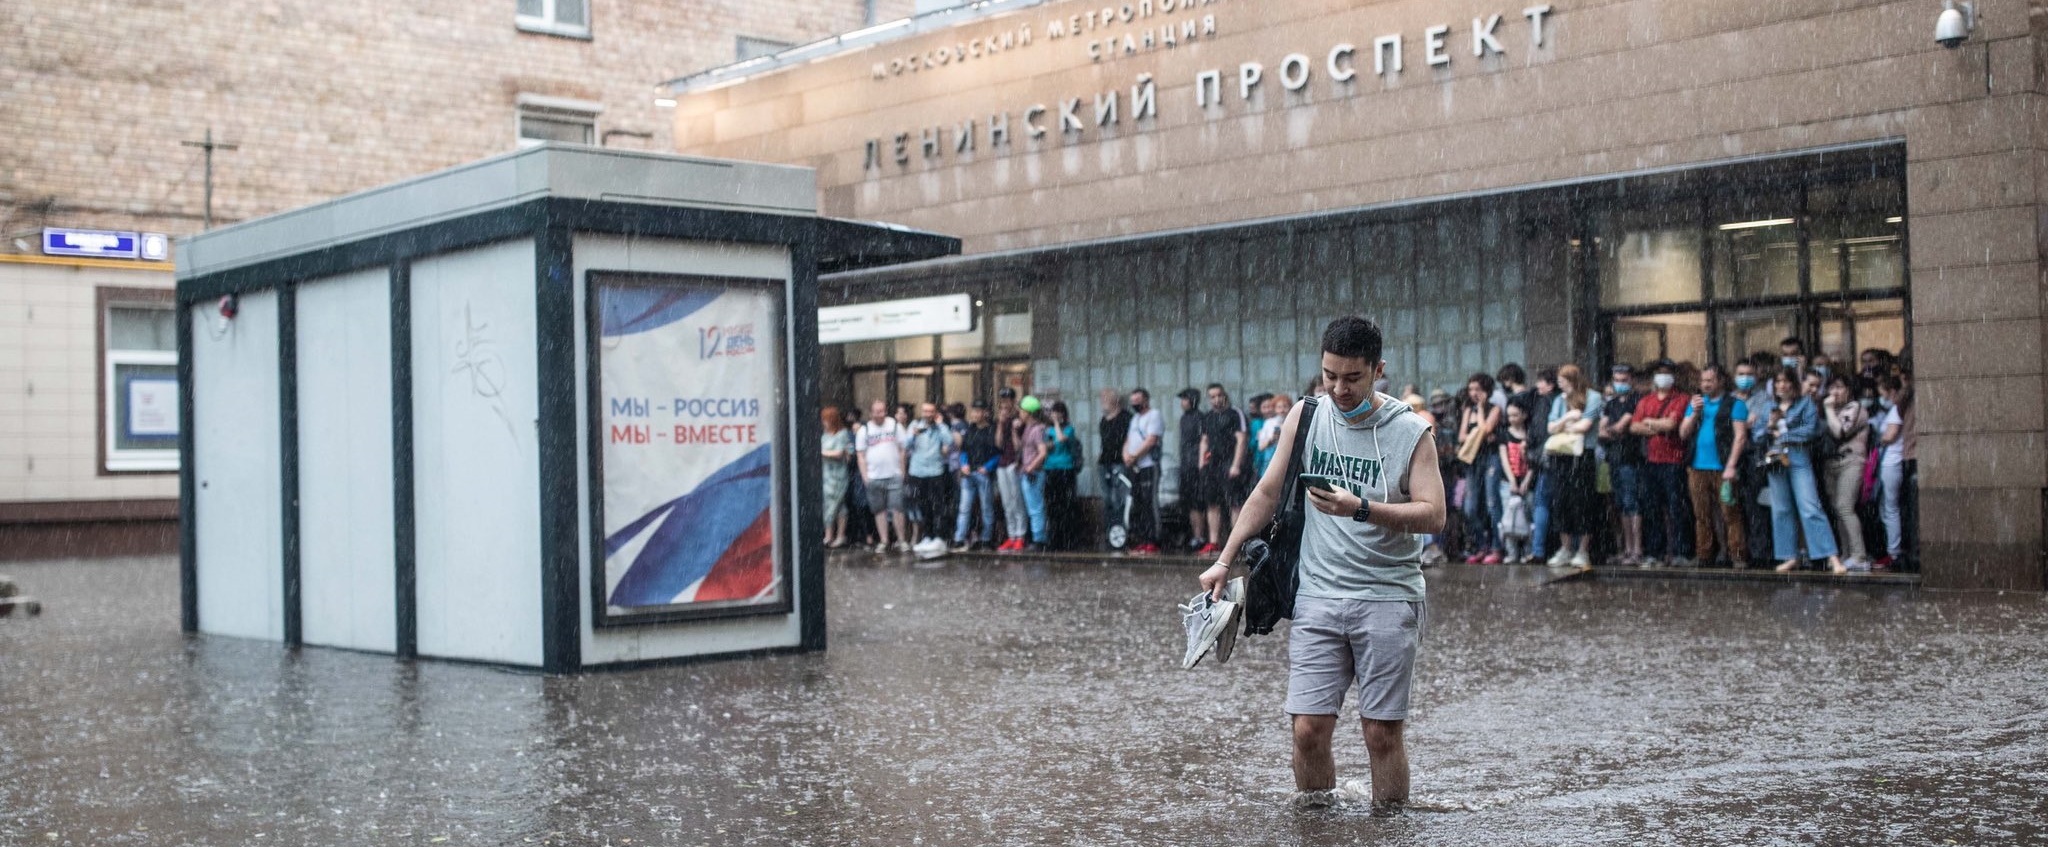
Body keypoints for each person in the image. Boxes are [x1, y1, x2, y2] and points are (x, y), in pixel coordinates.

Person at [1200, 316, 1446, 811]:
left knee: (1380, 734)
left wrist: (1362, 507)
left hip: (1388, 596)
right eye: (1329, 375)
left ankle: (1390, 831)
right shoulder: (1307, 415)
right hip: (1317, 596)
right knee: (1309, 730)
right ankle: (1317, 827)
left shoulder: (1411, 430)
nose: (1339, 388)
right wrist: (1224, 560)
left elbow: (1434, 515)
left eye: (1352, 378)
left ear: (1379, 370)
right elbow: (1267, 492)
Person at [1763, 369, 1844, 573]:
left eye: (1785, 381)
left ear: (1793, 384)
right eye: (1778, 381)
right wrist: (1769, 425)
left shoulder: (1805, 403)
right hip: (1776, 458)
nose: (1781, 385)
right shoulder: (1769, 406)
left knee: (1809, 506)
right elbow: (1758, 434)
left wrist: (1783, 433)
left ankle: (1831, 556)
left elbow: (1811, 430)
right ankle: (1789, 555)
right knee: (1781, 508)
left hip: (1798, 456)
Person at [1678, 364, 1750, 568]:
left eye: (1710, 380)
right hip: (1697, 466)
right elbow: (1683, 433)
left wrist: (1731, 465)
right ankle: (1704, 554)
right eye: (1703, 381)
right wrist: (1694, 413)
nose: (1705, 385)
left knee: (1730, 512)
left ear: (1721, 381)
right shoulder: (1696, 403)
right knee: (1701, 513)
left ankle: (1737, 555)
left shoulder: (1735, 404)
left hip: (1722, 466)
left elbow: (1740, 436)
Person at [1629, 360, 1691, 567]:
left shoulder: (1681, 399)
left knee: (1677, 508)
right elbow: (1634, 427)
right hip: (1651, 461)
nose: (1662, 377)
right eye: (1659, 373)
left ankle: (1681, 552)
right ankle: (1655, 552)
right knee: (1652, 508)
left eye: (1667, 373)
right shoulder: (1646, 400)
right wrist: (1657, 427)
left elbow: (1672, 424)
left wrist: (1649, 422)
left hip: (1674, 460)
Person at [1544, 364, 1604, 568]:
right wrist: (1568, 418)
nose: (1562, 387)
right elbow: (1551, 427)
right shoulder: (1559, 400)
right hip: (1561, 455)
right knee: (1561, 501)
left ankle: (1583, 550)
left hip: (1582, 455)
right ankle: (1565, 547)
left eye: (1564, 382)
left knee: (1583, 502)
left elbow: (1585, 426)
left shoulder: (1593, 397)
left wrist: (1566, 426)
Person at [1821, 374, 1871, 570]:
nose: (1835, 392)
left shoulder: (1855, 408)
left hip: (1851, 461)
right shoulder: (1831, 409)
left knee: (1845, 507)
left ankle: (1859, 556)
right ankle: (1846, 553)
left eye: (1840, 387)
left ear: (1849, 390)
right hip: (1831, 464)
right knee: (1838, 509)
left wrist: (1827, 408)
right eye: (1832, 388)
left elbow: (1839, 431)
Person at [1597, 364, 1644, 565]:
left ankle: (1637, 549)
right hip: (1614, 458)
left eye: (1624, 380)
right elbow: (1602, 431)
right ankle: (1626, 548)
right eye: (1617, 380)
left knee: (1632, 503)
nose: (1620, 384)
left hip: (1631, 459)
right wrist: (1613, 430)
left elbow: (1620, 426)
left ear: (1632, 380)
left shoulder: (1636, 401)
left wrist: (1613, 430)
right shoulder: (1611, 403)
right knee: (1621, 504)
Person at [1732, 357, 1776, 568]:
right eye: (1741, 374)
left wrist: (1741, 424)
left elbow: (1758, 426)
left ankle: (1760, 553)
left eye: (1749, 375)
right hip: (1731, 456)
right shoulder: (1730, 399)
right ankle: (1739, 551)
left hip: (1753, 456)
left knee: (1755, 506)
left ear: (1757, 376)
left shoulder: (1764, 399)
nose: (1745, 379)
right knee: (1734, 506)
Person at [1455, 373, 1502, 564]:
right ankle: (1482, 545)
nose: (1474, 393)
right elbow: (1462, 437)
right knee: (1471, 508)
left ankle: (1497, 547)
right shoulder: (1468, 409)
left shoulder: (1495, 409)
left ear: (1487, 391)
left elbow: (1486, 429)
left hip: (1490, 458)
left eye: (1478, 389)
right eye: (1471, 389)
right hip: (1473, 460)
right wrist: (1479, 433)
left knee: (1492, 504)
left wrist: (1482, 409)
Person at [1198, 383, 1250, 555]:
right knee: (1212, 503)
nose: (1216, 399)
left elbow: (1241, 440)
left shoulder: (1235, 414)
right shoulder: (1207, 417)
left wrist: (1236, 465)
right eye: (1212, 396)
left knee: (1235, 504)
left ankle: (1237, 543)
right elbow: (1204, 440)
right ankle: (1213, 542)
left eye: (1219, 395)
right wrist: (1201, 463)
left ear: (1224, 395)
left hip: (1230, 464)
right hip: (1212, 465)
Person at [856, 401, 910, 553]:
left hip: (894, 474)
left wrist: (902, 471)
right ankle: (884, 540)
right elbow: (860, 455)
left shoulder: (894, 426)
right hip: (874, 476)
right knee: (879, 510)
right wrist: (865, 476)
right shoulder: (864, 430)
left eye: (882, 411)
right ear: (870, 413)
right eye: (876, 412)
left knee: (898, 508)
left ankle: (901, 540)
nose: (880, 415)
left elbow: (902, 450)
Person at [905, 402, 955, 555]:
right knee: (923, 505)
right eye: (925, 411)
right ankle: (927, 536)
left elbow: (950, 442)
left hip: (935, 471)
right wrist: (913, 435)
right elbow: (905, 444)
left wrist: (940, 425)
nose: (928, 414)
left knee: (937, 505)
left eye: (931, 411)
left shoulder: (940, 427)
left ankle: (939, 537)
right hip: (918, 471)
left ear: (935, 413)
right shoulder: (915, 425)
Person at [952, 401, 1000, 552]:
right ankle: (959, 539)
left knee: (987, 507)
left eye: (978, 411)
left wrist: (987, 467)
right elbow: (964, 450)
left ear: (985, 413)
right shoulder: (970, 429)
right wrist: (964, 464)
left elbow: (998, 453)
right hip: (969, 472)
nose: (974, 414)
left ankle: (986, 539)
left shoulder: (992, 430)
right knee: (964, 507)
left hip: (983, 473)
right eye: (973, 411)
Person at [1524, 367, 1560, 564]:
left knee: (1541, 503)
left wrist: (1531, 450)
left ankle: (1539, 549)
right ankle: (1543, 548)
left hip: (1547, 460)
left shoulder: (1545, 402)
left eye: (1541, 382)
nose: (1537, 386)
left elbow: (1538, 431)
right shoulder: (1553, 401)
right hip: (1552, 459)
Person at [1123, 388, 1164, 554]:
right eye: (1132, 401)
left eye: (1137, 400)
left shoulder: (1154, 415)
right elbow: (1128, 439)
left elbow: (1151, 440)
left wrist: (1135, 456)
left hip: (1148, 466)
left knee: (1149, 503)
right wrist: (1126, 455)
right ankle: (1141, 539)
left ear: (1145, 400)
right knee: (1137, 503)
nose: (1134, 404)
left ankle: (1153, 540)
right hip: (1135, 468)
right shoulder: (1135, 419)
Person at [1876, 375, 1908, 570]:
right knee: (1887, 507)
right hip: (1889, 461)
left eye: (1884, 394)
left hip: (1892, 462)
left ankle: (1894, 552)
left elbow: (1890, 436)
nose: (1884, 398)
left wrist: (1878, 440)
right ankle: (1893, 550)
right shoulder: (1896, 409)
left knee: (1891, 507)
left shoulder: (1896, 410)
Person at [1496, 401, 1534, 563]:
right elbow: (1504, 459)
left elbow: (1533, 461)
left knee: (1528, 517)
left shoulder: (1530, 434)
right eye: (1509, 415)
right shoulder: (1504, 434)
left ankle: (1528, 552)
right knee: (1509, 519)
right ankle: (1512, 553)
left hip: (1527, 481)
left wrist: (1526, 480)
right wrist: (1512, 480)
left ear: (1524, 415)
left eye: (1515, 415)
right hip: (1508, 482)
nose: (1511, 418)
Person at [993, 387, 1029, 551]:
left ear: (1014, 401)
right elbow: (998, 444)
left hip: (1015, 462)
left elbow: (1019, 447)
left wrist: (1014, 429)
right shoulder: (1001, 420)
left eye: (1008, 400)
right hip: (1002, 463)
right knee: (1007, 502)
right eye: (1003, 401)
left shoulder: (1019, 420)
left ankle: (1021, 535)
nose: (1005, 404)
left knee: (1017, 500)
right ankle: (1011, 535)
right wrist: (1000, 423)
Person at [1043, 401, 1081, 550]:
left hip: (1066, 469)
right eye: (1054, 413)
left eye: (1059, 413)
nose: (1056, 415)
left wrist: (1057, 424)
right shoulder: (1047, 431)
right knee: (1052, 505)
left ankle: (1068, 539)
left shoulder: (1069, 430)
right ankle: (1054, 538)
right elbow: (1046, 447)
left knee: (1067, 505)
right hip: (1050, 469)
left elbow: (1061, 439)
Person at [1096, 388, 1131, 550]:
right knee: (1107, 498)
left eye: (1105, 398)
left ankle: (1121, 531)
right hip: (1105, 462)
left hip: (1119, 462)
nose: (1102, 401)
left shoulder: (1125, 418)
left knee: (1119, 498)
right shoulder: (1104, 420)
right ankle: (1110, 531)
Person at [1177, 388, 1211, 551]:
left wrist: (1200, 464)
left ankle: (1201, 536)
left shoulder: (1200, 418)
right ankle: (1195, 536)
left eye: (1184, 399)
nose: (1182, 403)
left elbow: (1204, 442)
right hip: (1185, 465)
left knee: (1198, 503)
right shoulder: (1184, 418)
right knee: (1189, 503)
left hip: (1196, 466)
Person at [1016, 396, 1051, 552]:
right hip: (1028, 472)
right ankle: (1037, 537)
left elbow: (1042, 452)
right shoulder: (1028, 428)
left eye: (1021, 411)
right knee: (1033, 507)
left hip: (1033, 473)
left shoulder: (1036, 429)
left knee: (1035, 507)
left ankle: (1039, 540)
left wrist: (1031, 467)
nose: (1019, 414)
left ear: (1028, 412)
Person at [821, 406, 852, 549]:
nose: (823, 423)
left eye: (825, 420)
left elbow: (839, 453)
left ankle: (835, 536)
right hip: (826, 474)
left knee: (835, 503)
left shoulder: (842, 434)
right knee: (833, 505)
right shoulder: (824, 435)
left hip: (838, 475)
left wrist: (821, 452)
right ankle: (832, 536)